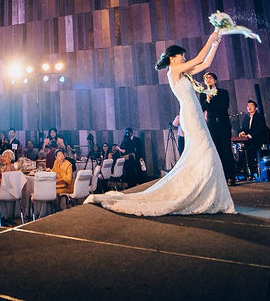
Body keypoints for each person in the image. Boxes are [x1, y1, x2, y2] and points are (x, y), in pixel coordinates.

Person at [86, 32, 235, 215]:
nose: (185, 58)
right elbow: (198, 59)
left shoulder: (183, 73)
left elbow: (205, 64)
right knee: (204, 149)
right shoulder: (174, 71)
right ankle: (199, 191)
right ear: (173, 58)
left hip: (195, 112)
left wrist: (215, 44)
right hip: (190, 113)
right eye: (182, 56)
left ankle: (202, 191)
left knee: (204, 150)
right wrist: (211, 38)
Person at [199, 72, 236, 185]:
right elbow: (202, 108)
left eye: (210, 78)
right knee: (217, 150)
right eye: (206, 79)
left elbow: (223, 107)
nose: (208, 80)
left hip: (223, 123)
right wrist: (207, 100)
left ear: (215, 80)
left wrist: (211, 102)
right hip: (212, 125)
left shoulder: (223, 92)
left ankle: (231, 176)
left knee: (226, 150)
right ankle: (222, 177)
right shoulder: (203, 94)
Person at [237, 100, 270, 180]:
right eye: (248, 106)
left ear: (256, 108)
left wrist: (249, 135)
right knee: (241, 151)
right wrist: (242, 132)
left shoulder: (259, 117)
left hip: (258, 140)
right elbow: (245, 128)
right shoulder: (247, 118)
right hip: (249, 141)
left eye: (251, 106)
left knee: (249, 151)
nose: (249, 107)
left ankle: (252, 173)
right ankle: (244, 173)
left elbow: (259, 130)